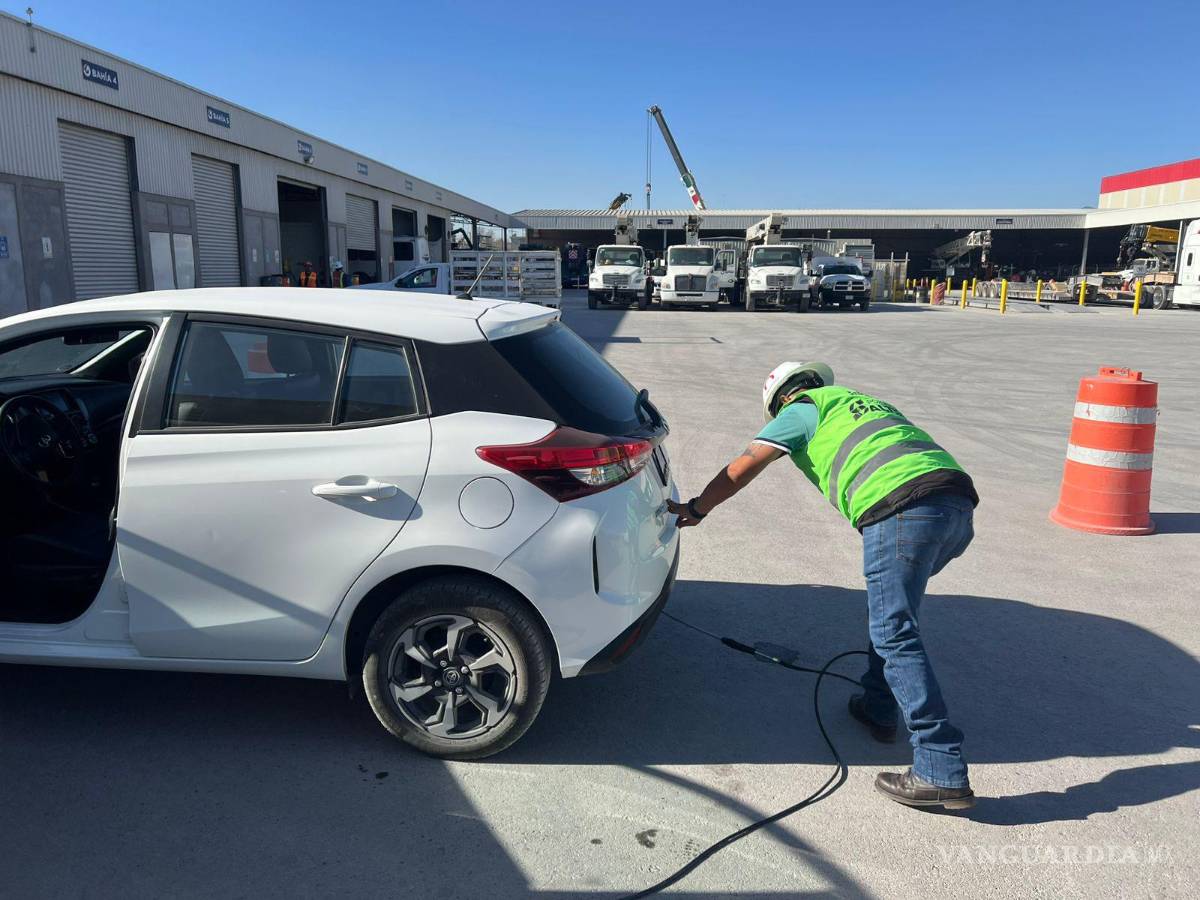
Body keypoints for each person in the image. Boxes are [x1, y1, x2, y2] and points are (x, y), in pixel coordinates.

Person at [667, 361, 979, 810]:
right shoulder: (859, 401)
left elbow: (744, 466)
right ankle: (878, 705)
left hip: (901, 510)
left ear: (780, 401)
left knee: (894, 631)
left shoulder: (801, 410)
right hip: (955, 507)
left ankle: (940, 766)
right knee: (892, 616)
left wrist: (698, 508)